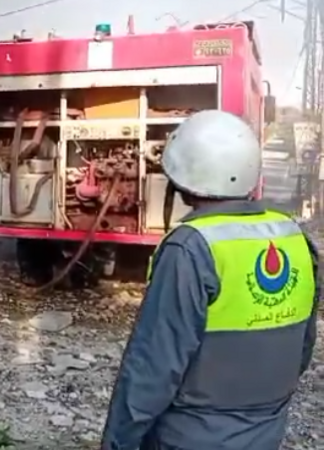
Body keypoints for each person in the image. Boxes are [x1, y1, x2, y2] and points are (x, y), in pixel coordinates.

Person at [100, 110, 319, 450]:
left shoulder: (191, 248)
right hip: (266, 433)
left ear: (184, 177)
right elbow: (302, 348)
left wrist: (118, 442)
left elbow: (152, 369)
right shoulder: (293, 236)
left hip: (189, 437)